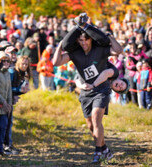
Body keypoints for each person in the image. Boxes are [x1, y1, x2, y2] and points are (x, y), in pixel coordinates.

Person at [52, 13, 123, 163]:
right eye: (80, 40)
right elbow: (56, 62)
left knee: (97, 120)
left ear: (91, 38)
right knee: (91, 126)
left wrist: (109, 36)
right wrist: (60, 44)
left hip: (101, 90)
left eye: (86, 39)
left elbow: (118, 51)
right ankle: (104, 148)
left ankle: (97, 153)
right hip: (85, 92)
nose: (84, 42)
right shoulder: (75, 53)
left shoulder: (100, 49)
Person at [5, 56, 31, 154]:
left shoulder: (23, 74)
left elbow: (15, 89)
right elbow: (8, 88)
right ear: (18, 63)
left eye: (26, 64)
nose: (24, 66)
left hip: (11, 101)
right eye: (22, 64)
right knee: (5, 124)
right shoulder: (12, 72)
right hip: (5, 100)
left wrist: (22, 90)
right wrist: (19, 90)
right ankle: (5, 146)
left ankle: (9, 145)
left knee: (9, 123)